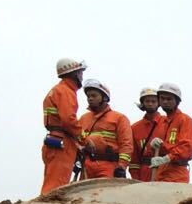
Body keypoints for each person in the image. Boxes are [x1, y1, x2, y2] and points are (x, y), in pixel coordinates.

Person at [41, 57, 87, 194]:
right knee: (57, 186)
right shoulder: (66, 91)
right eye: (80, 72)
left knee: (52, 180)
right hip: (62, 143)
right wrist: (84, 139)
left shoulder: (58, 90)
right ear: (75, 74)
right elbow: (69, 120)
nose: (82, 76)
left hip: (55, 140)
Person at [77, 80, 133, 180]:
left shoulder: (119, 118)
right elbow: (77, 141)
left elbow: (126, 144)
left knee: (107, 194)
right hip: (86, 165)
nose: (90, 98)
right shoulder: (83, 119)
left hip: (109, 165)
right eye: (88, 96)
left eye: (94, 96)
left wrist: (122, 166)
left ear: (105, 98)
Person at [146, 82, 192, 182]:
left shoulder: (185, 120)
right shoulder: (162, 122)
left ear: (177, 101)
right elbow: (158, 150)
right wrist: (153, 147)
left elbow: (187, 148)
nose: (165, 101)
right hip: (160, 173)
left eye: (169, 99)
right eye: (162, 98)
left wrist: (167, 158)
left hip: (177, 173)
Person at [130, 88, 168, 181]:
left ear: (159, 103)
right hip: (144, 171)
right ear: (143, 103)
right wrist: (136, 179)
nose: (150, 104)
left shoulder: (167, 122)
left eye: (153, 101)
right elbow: (134, 158)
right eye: (147, 101)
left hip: (164, 169)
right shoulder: (134, 127)